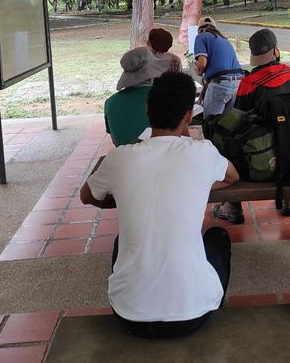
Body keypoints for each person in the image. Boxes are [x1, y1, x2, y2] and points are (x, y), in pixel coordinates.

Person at [80, 72, 240, 338]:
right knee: (218, 236)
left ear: (147, 111)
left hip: (128, 315)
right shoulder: (203, 152)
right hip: (193, 316)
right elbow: (232, 177)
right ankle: (208, 301)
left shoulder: (120, 158)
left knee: (123, 242)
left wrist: (124, 192)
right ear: (189, 116)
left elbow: (87, 195)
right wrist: (198, 184)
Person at [212, 28, 290, 224]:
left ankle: (233, 206)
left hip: (263, 154)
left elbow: (237, 119)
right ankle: (287, 202)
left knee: (227, 139)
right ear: (276, 51)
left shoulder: (249, 83)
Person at [104, 47, 169, 146]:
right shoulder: (165, 97)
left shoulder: (110, 103)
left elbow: (115, 138)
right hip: (159, 155)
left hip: (125, 157)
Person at [193, 17, 243, 117]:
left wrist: (199, 71)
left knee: (211, 123)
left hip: (220, 84)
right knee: (226, 124)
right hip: (238, 84)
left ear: (199, 29)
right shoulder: (224, 39)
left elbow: (202, 63)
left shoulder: (201, 37)